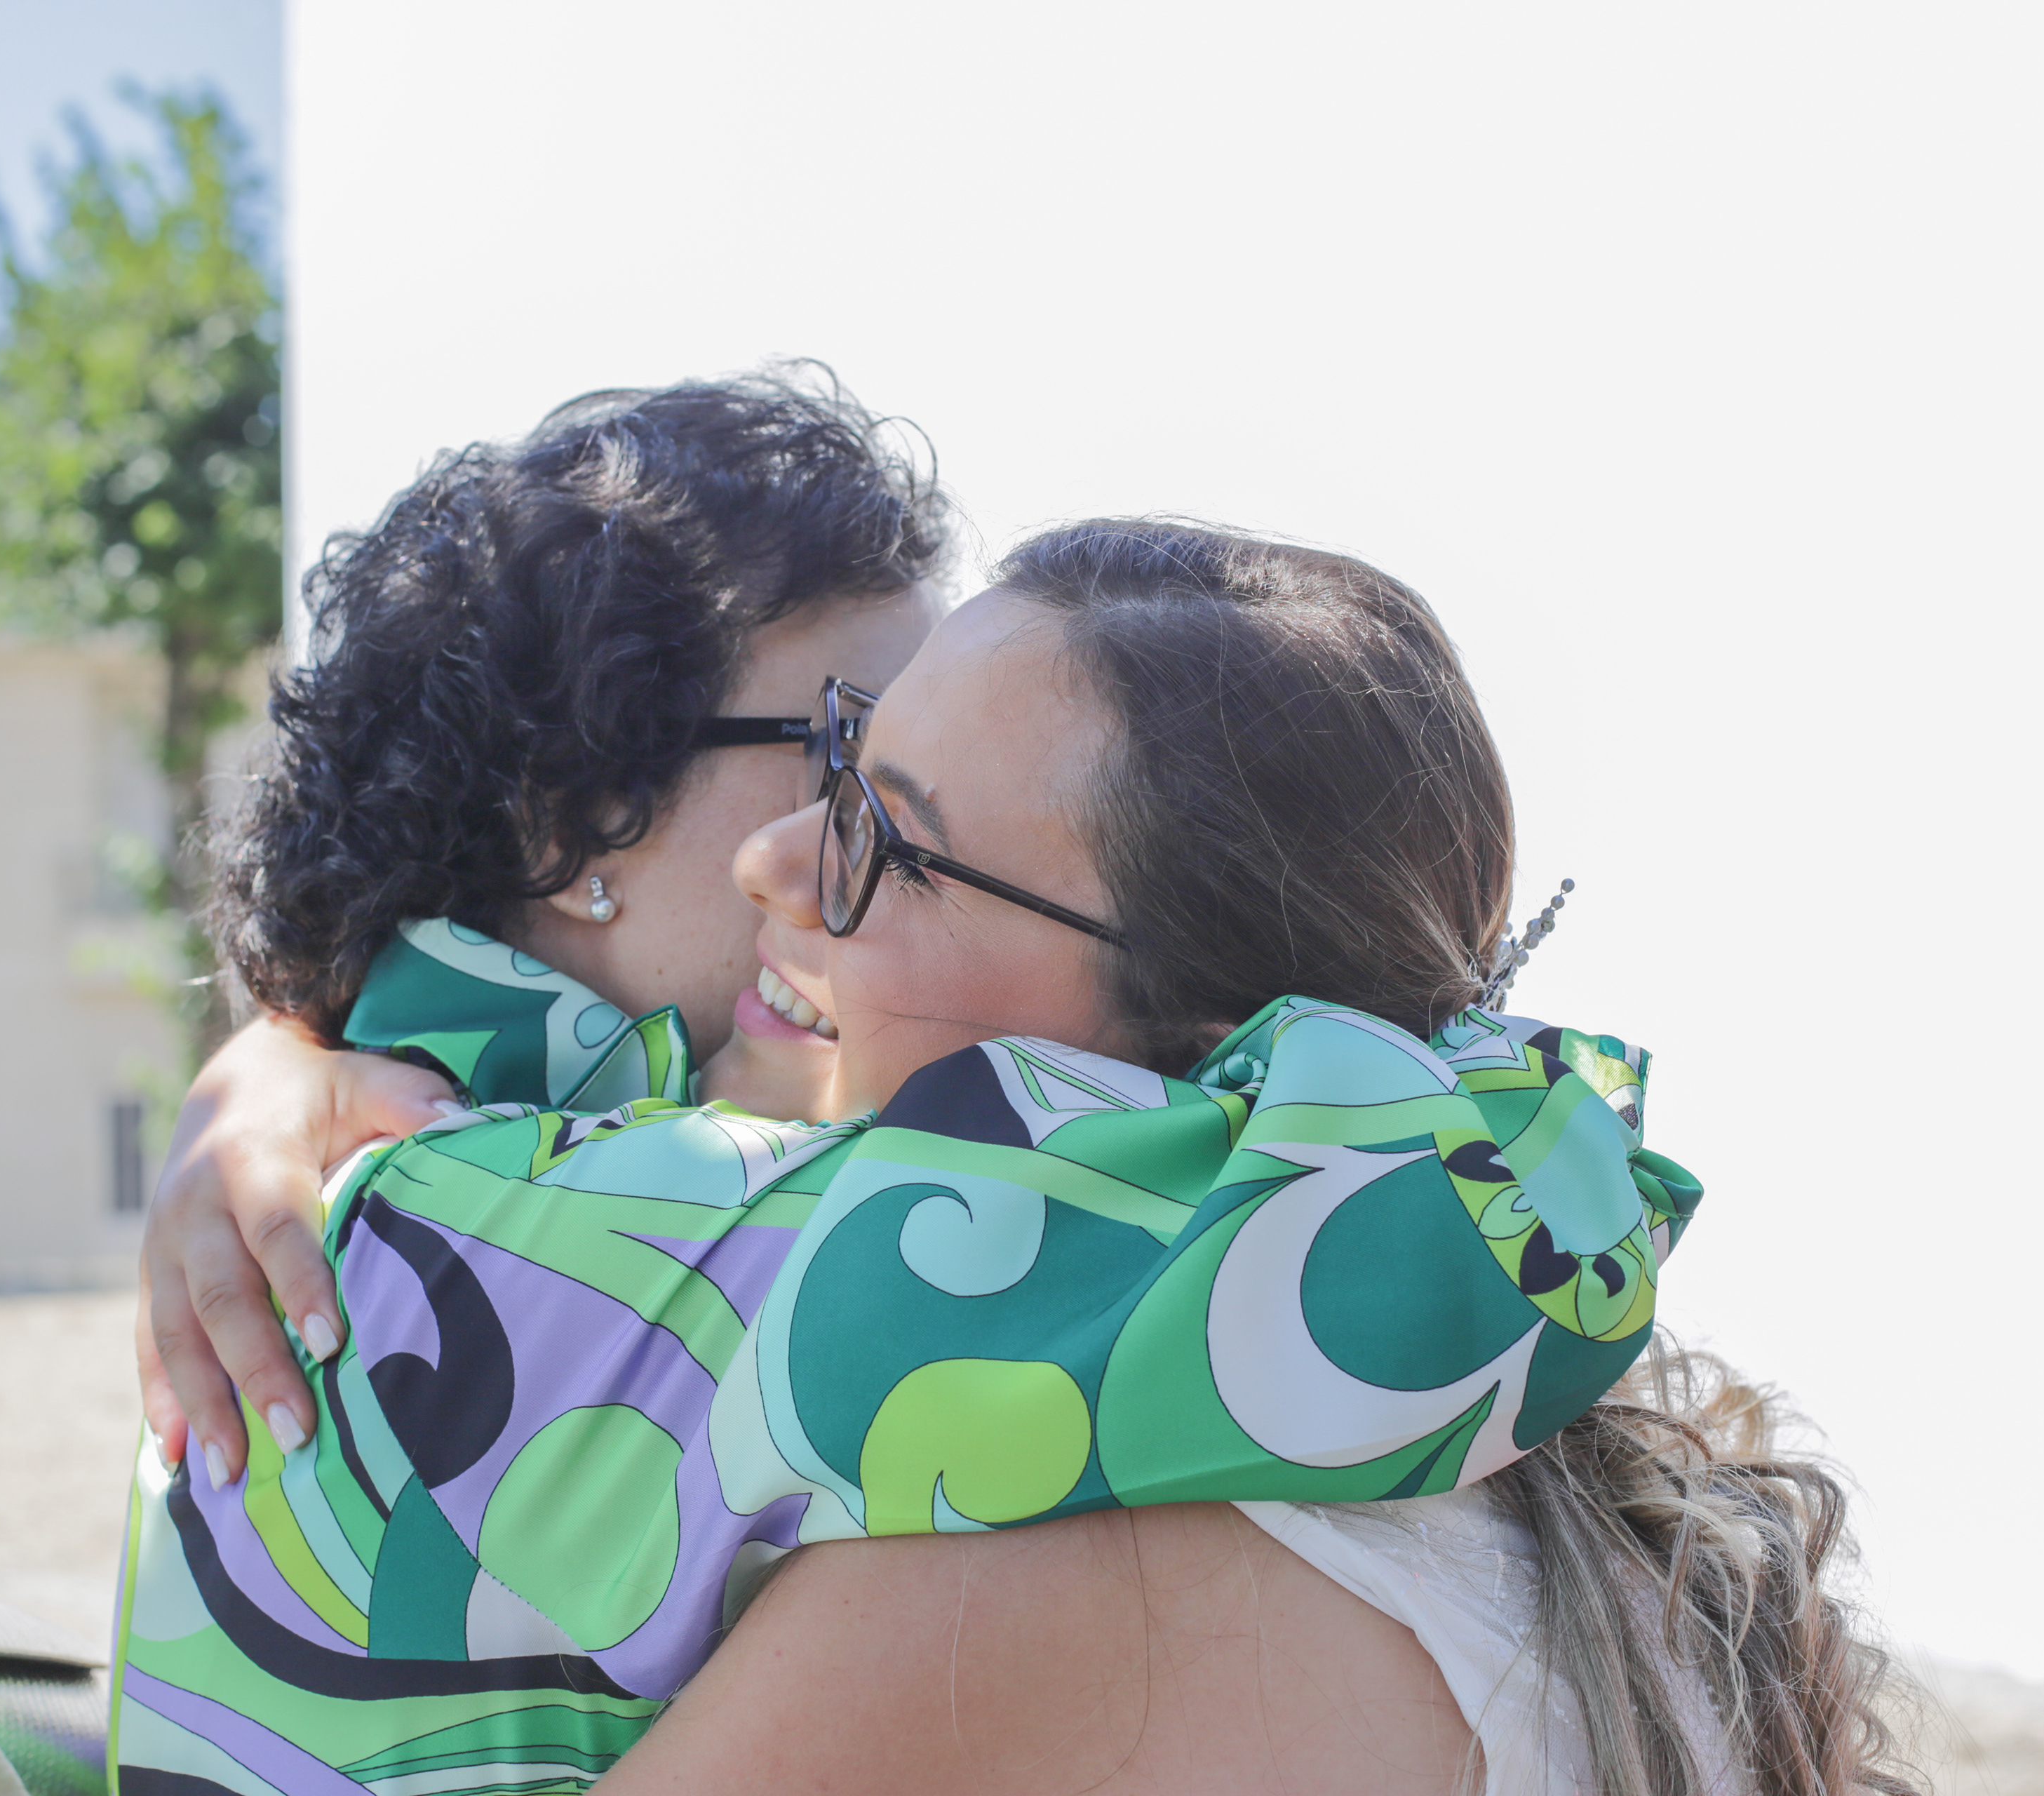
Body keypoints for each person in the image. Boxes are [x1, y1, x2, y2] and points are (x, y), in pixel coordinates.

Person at [101, 518, 1733, 1793]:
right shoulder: (1456, 1439)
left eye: (881, 831)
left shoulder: (1039, 1551)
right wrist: (275, 1066)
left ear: (1188, 1055)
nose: (774, 861)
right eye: (828, 770)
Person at [140, 369, 952, 1487]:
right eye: (851, 750)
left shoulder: (346, 1159)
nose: (913, 832)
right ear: (572, 815)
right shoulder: (549, 1231)